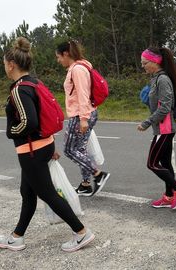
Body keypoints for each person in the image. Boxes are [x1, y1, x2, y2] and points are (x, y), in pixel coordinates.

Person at [0, 37, 95, 252]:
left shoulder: (19, 90)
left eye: (4, 63)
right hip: (42, 145)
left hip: (31, 150)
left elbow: (29, 121)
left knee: (47, 193)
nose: (4, 66)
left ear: (11, 64)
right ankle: (17, 236)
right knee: (28, 192)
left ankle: (81, 232)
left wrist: (10, 132)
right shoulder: (34, 82)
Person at [137, 47, 176, 210]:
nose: (143, 66)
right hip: (162, 128)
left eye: (145, 63)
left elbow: (166, 107)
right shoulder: (156, 78)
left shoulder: (163, 79)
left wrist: (147, 122)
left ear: (155, 62)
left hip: (164, 129)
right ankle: (169, 196)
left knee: (152, 163)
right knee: (165, 163)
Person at [55, 40, 110, 196]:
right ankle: (86, 184)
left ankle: (98, 174)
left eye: (58, 57)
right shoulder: (81, 66)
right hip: (86, 113)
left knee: (69, 149)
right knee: (79, 149)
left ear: (66, 54)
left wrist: (83, 119)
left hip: (80, 114)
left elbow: (83, 94)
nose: (58, 61)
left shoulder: (77, 69)